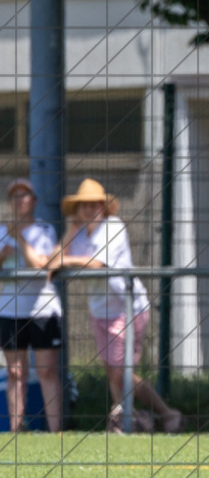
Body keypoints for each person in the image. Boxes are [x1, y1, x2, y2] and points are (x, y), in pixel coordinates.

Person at [46, 178, 183, 433]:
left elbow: (98, 264)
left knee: (122, 371)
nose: (89, 209)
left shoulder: (114, 227)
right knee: (113, 371)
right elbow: (53, 260)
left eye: (95, 204)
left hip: (127, 308)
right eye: (83, 205)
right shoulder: (79, 235)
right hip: (100, 311)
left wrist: (65, 260)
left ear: (104, 207)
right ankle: (123, 421)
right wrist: (71, 232)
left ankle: (162, 413)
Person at [0, 179, 63, 432]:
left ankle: (56, 431)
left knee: (47, 371)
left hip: (42, 311)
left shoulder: (44, 230)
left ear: (34, 201)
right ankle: (17, 429)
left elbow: (42, 265)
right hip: (9, 311)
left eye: (25, 196)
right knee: (16, 373)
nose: (20, 201)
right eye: (15, 197)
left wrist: (20, 240)